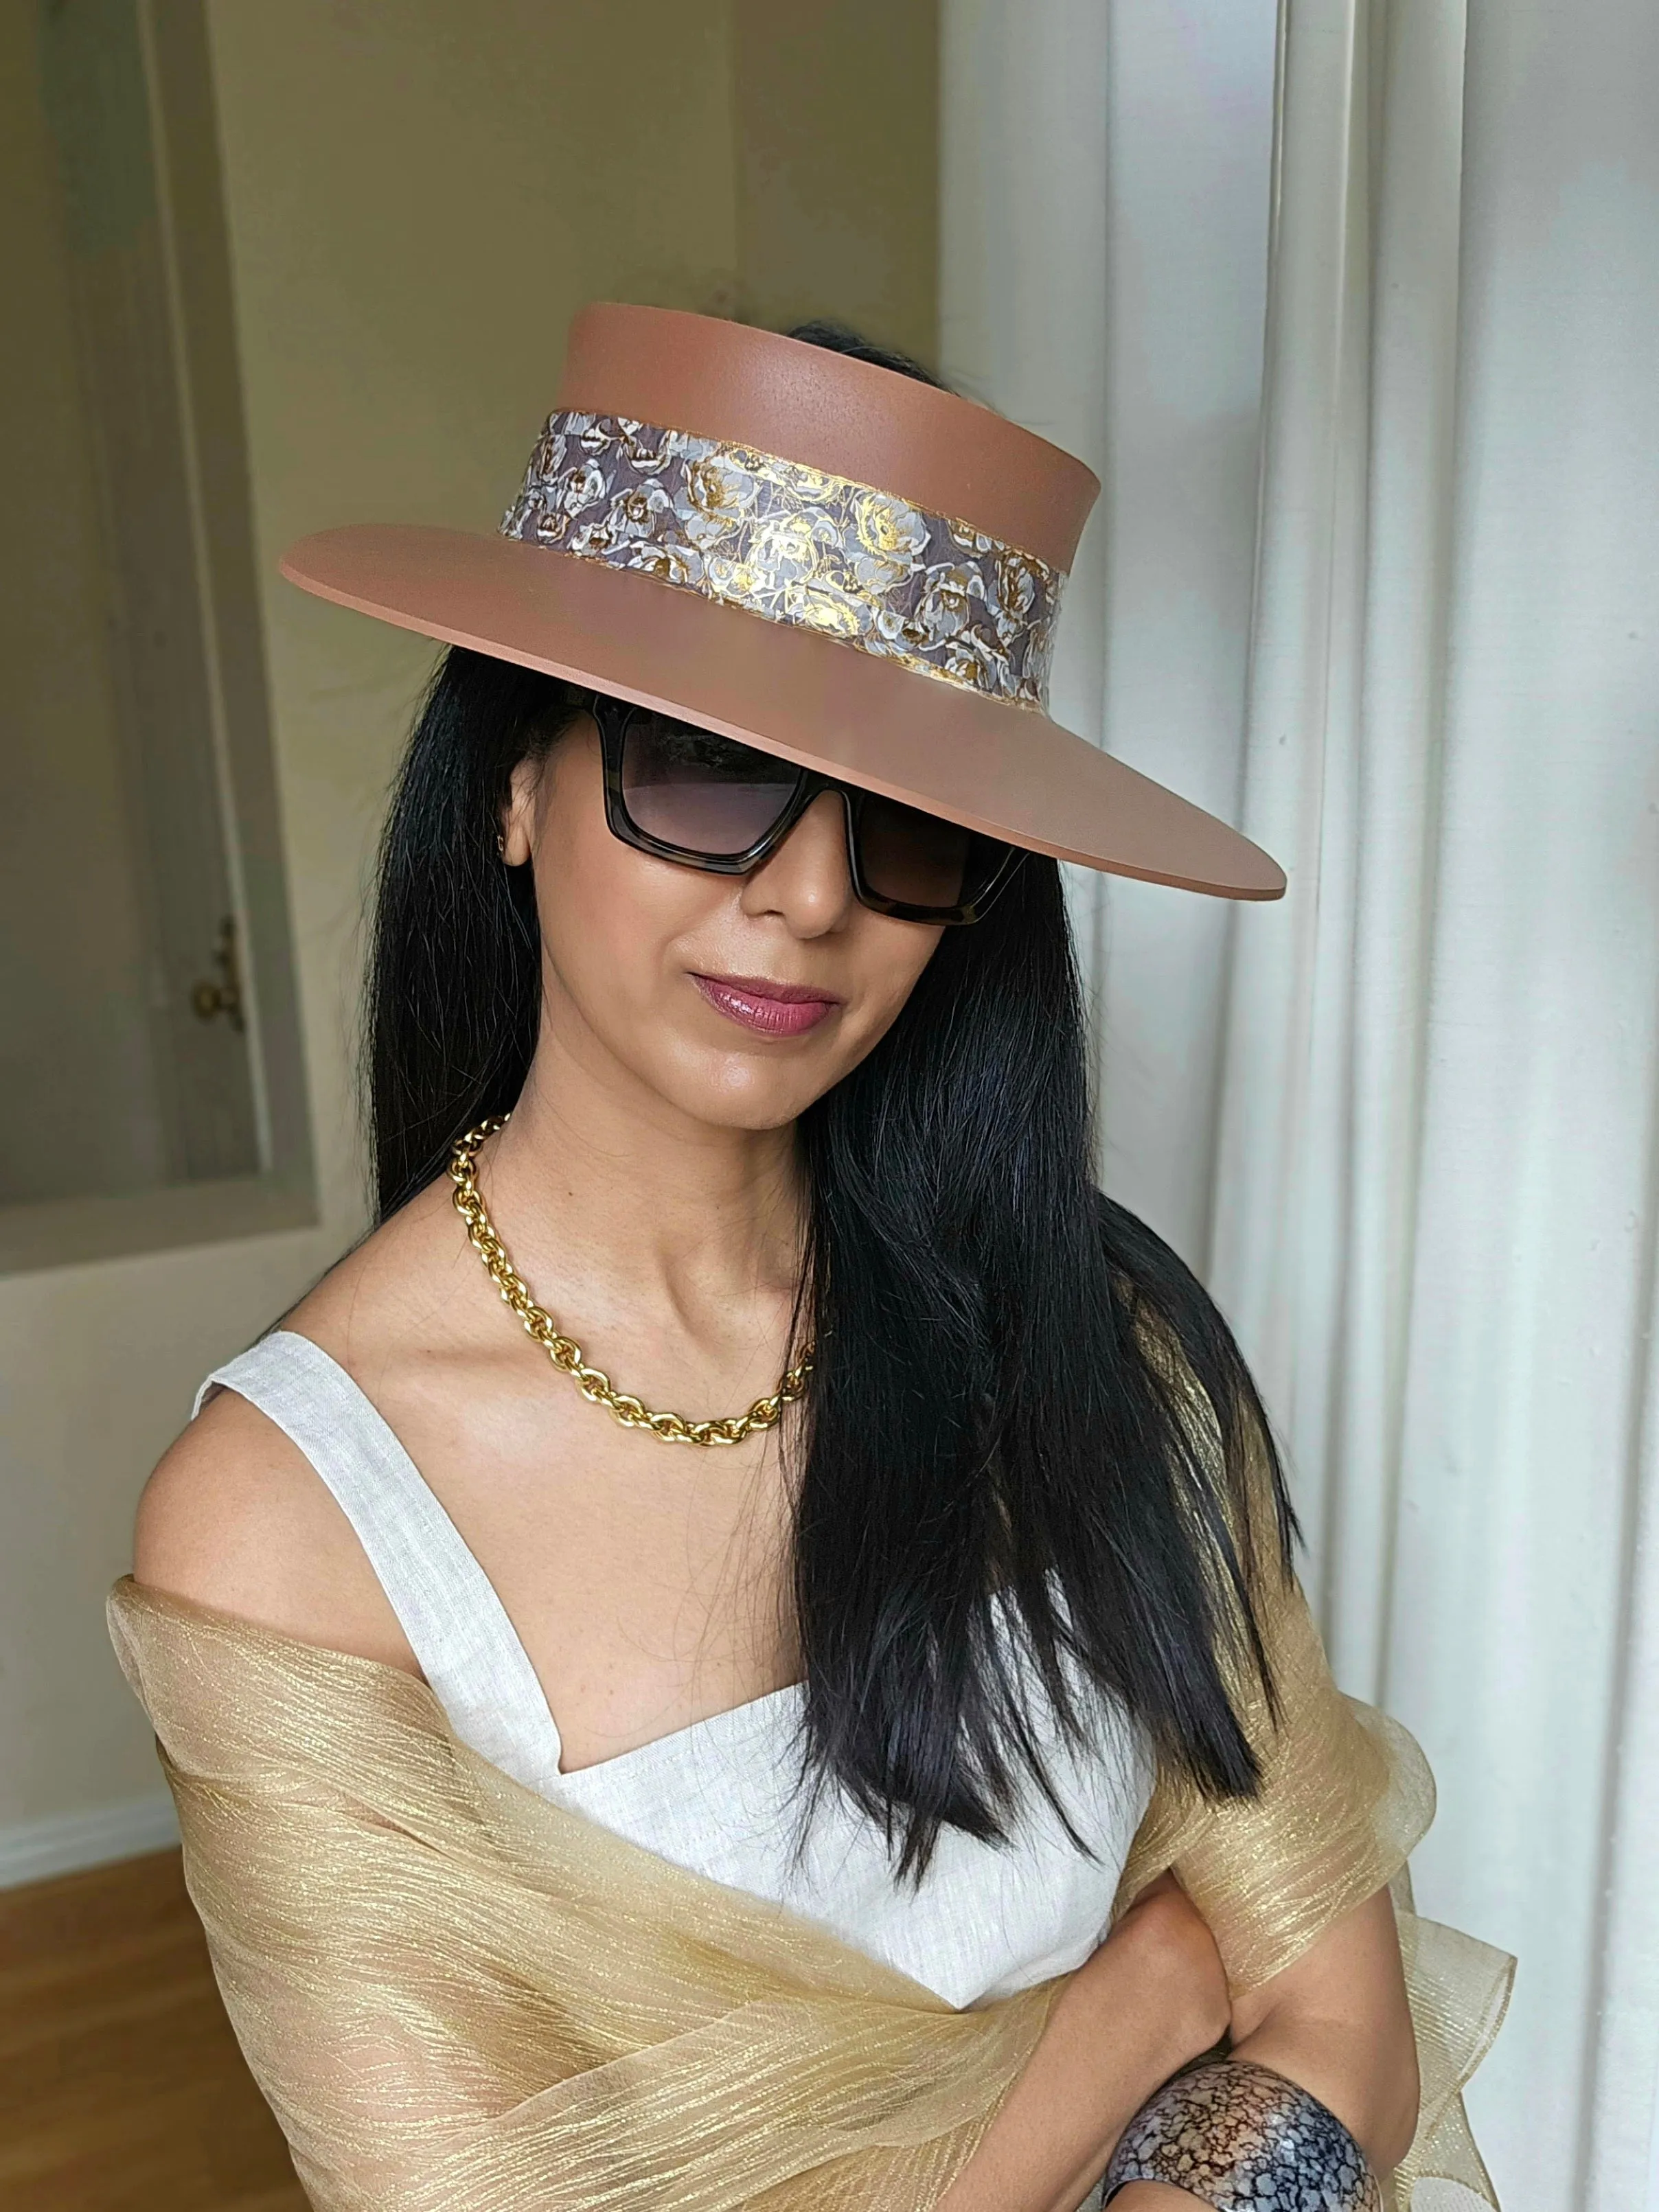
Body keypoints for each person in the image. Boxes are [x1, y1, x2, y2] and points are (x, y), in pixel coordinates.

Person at [116, 307, 1509, 2212]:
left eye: (912, 816)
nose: (812, 888)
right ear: (515, 783)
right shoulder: (282, 1523)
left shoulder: (1092, 1339)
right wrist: (1139, 2001)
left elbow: (1344, 2022)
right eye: (705, 766)